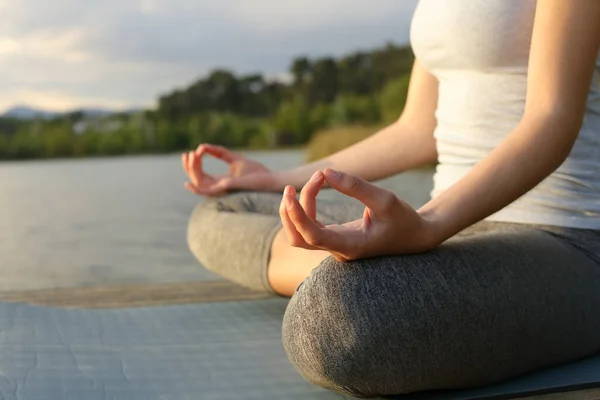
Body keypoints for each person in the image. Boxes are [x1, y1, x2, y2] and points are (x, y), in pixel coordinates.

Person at [182, 0, 600, 397]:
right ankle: (351, 263)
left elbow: (551, 118)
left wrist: (429, 227)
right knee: (226, 208)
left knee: (337, 323)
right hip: (449, 224)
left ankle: (349, 270)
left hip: (566, 237)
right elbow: (416, 130)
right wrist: (277, 180)